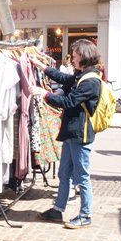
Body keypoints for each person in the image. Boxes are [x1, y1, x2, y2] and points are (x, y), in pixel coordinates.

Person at [36, 39, 102, 229]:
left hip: (80, 134)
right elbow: (64, 79)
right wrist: (43, 67)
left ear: (84, 56)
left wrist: (45, 94)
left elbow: (68, 102)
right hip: (71, 132)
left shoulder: (91, 81)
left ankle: (86, 215)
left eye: (74, 56)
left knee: (82, 176)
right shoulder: (83, 75)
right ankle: (58, 209)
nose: (72, 59)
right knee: (64, 173)